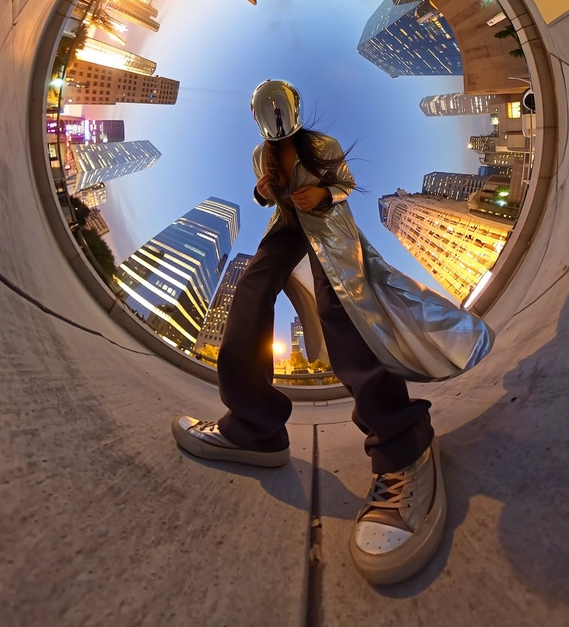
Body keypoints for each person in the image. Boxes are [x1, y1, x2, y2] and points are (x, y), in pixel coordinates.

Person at [172, 80, 449, 585]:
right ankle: (253, 428)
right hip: (285, 226)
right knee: (250, 292)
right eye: (270, 119)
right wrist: (263, 190)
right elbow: (264, 197)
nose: (277, 127)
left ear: (294, 112)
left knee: (338, 303)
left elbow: (342, 186)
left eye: (283, 116)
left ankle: (402, 445)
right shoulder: (262, 153)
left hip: (328, 223)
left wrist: (322, 190)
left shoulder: (320, 146)